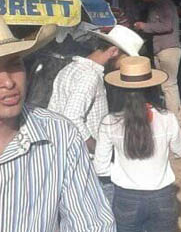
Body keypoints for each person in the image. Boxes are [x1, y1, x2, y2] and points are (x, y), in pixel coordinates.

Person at [0, 19, 115, 230]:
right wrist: (98, 146)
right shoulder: (87, 76)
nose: (8, 82)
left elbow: (91, 224)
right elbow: (73, 114)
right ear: (114, 52)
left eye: (14, 63)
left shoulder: (59, 136)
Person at [94, 56, 181, 232]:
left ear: (119, 89)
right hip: (162, 196)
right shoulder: (167, 118)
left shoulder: (109, 122)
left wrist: (122, 170)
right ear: (153, 87)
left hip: (126, 197)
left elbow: (100, 168)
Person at [48, 25, 142, 158]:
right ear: (114, 51)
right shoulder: (89, 75)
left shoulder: (69, 68)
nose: (123, 67)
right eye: (125, 59)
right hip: (83, 158)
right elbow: (71, 117)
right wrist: (98, 150)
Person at [130, 0, 181, 123]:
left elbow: (167, 26)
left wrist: (144, 26)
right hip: (164, 48)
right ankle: (176, 117)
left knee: (168, 85)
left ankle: (175, 120)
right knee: (169, 85)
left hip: (167, 49)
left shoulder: (162, 4)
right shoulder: (158, 4)